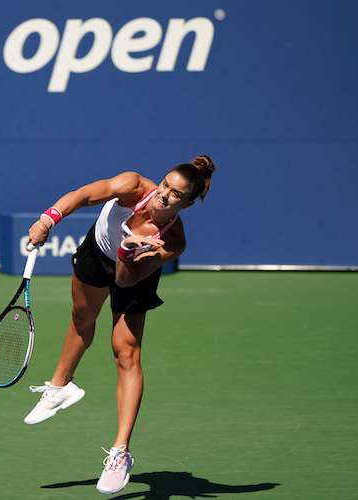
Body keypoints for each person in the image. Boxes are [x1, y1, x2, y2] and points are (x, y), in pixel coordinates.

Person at [23, 156, 216, 495]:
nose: (164, 195)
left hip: (132, 274)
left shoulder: (172, 241)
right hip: (96, 253)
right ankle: (60, 387)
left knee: (125, 352)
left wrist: (128, 252)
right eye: (165, 185)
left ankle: (120, 454)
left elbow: (126, 282)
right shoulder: (132, 185)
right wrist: (47, 219)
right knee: (81, 318)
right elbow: (84, 195)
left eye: (175, 195)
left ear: (186, 205)